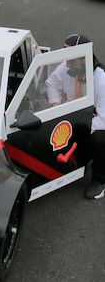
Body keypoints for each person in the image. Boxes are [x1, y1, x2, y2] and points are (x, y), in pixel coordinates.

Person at [46, 34, 105, 199]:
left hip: (97, 123)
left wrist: (76, 128)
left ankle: (100, 180)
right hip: (77, 119)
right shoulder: (67, 66)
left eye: (69, 52)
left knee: (100, 141)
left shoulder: (101, 79)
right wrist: (55, 104)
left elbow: (103, 120)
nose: (66, 56)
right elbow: (51, 83)